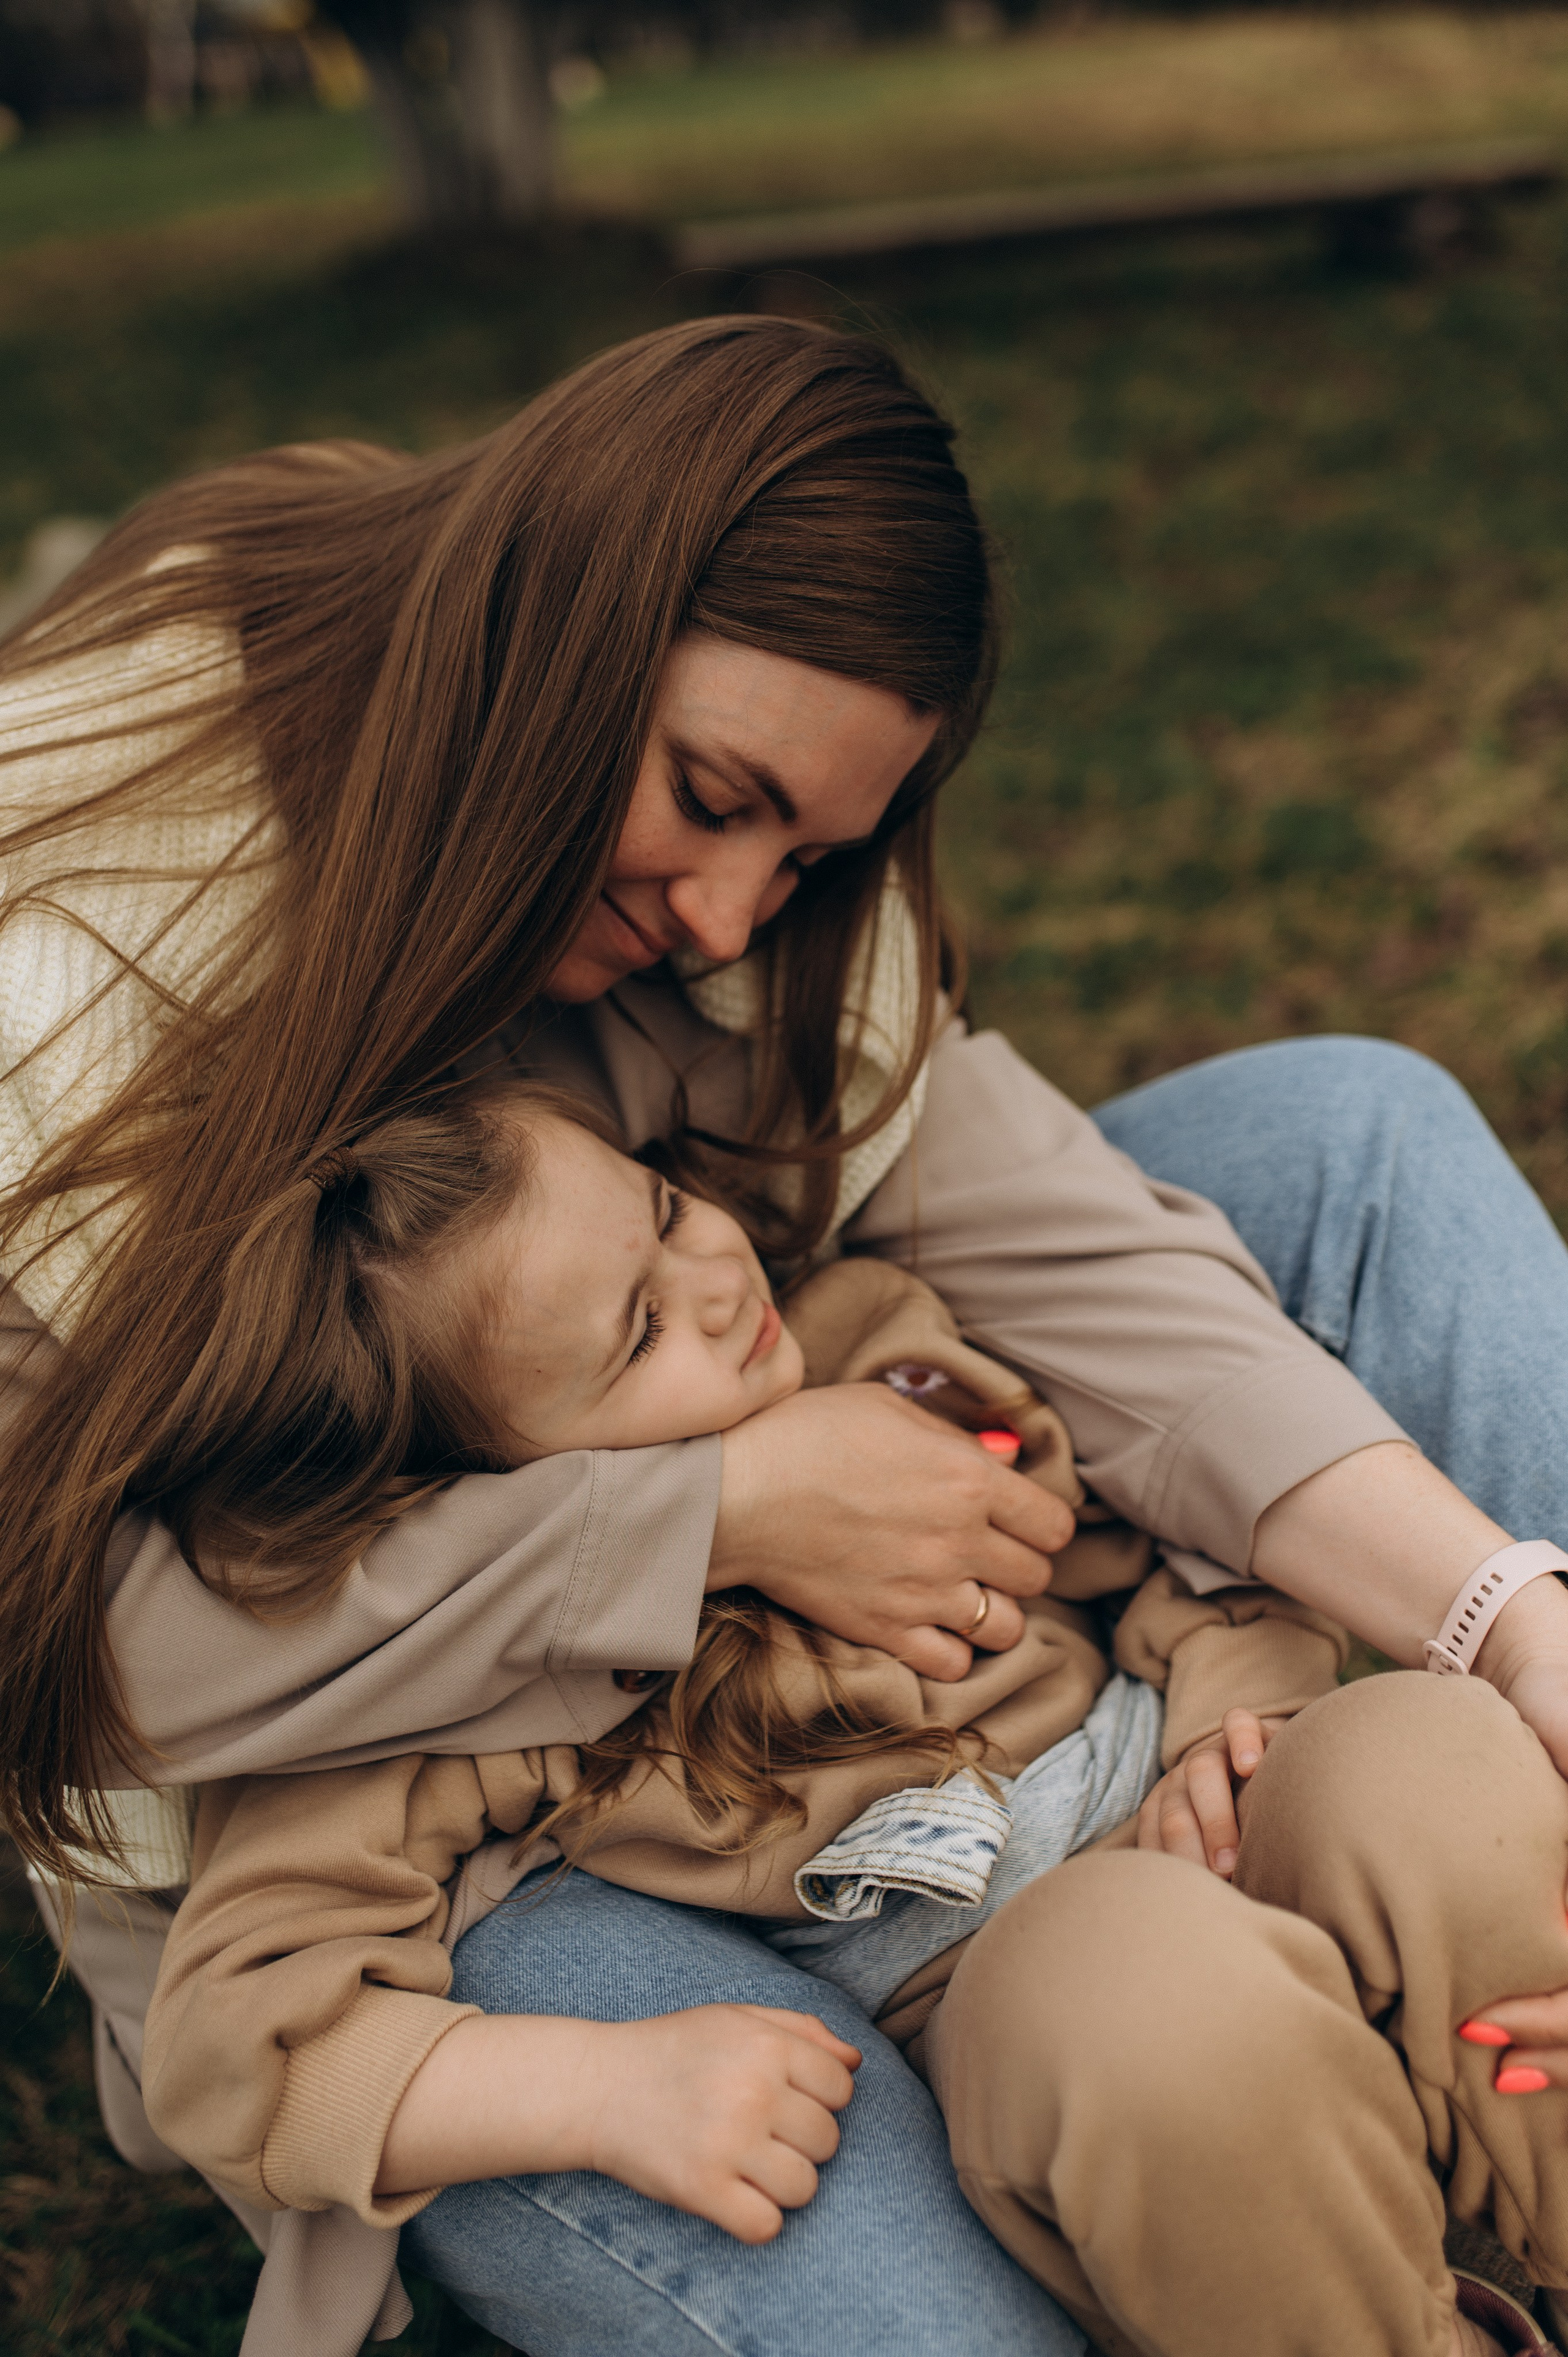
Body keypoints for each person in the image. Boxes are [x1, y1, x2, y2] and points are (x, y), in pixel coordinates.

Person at [3, 312, 1568, 2356]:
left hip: (992, 1731)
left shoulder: (820, 1277)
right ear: (543, 651)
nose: (741, 919)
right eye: (710, 798)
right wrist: (710, 1514)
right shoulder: (77, 968)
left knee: (1356, 1136)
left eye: (807, 851)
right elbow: (110, 1664)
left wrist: (1500, 1617)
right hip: (457, 1819)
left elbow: (1069, 1276)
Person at [131, 1078, 1346, 2353]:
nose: (712, 1275)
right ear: (488, 1497)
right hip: (1043, 2032)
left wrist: (1230, 1725)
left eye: (661, 1209)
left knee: (1429, 1796)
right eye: (639, 1332)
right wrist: (594, 2089)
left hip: (1185, 1816)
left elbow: (1168, 1546)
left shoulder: (879, 1351)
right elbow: (237, 2049)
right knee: (1183, 2108)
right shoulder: (478, 1689)